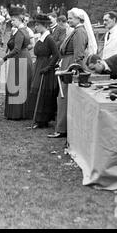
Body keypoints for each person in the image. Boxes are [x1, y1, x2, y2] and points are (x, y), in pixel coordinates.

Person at [48, 8, 89, 139]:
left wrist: (73, 69)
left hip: (71, 66)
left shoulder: (79, 32)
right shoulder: (76, 31)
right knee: (62, 97)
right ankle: (62, 127)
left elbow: (79, 54)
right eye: (68, 17)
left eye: (71, 18)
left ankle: (62, 129)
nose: (68, 20)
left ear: (79, 19)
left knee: (63, 97)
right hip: (67, 63)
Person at [0, 6, 33, 120]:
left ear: (19, 20)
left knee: (17, 84)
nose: (12, 22)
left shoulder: (21, 32)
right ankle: (19, 112)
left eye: (13, 20)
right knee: (18, 84)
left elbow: (16, 49)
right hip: (21, 58)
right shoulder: (22, 30)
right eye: (11, 20)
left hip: (20, 58)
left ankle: (18, 113)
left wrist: (4, 59)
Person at [29, 14, 60, 128]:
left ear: (44, 26)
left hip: (45, 68)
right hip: (38, 66)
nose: (36, 27)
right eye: (35, 25)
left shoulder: (49, 38)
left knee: (42, 93)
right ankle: (37, 118)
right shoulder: (41, 37)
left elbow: (57, 55)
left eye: (38, 25)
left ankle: (43, 120)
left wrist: (49, 67)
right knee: (36, 91)